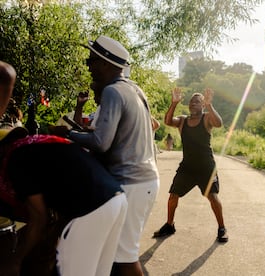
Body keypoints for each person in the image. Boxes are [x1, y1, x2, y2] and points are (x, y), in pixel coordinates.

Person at [52, 35, 160, 276]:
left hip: (132, 183)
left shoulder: (113, 91)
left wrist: (68, 133)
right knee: (112, 257)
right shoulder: (133, 89)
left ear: (105, 63)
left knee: (125, 259)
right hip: (143, 181)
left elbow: (101, 143)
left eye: (92, 61)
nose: (88, 66)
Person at [0, 127, 128, 276]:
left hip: (90, 208)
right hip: (116, 199)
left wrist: (16, 260)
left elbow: (39, 218)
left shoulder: (16, 159)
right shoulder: (39, 146)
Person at [153, 87, 228, 243]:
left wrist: (209, 105)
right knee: (173, 196)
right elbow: (167, 121)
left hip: (206, 167)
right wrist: (173, 103)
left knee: (213, 197)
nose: (193, 104)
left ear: (202, 105)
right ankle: (170, 224)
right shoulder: (182, 120)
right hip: (187, 167)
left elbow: (219, 124)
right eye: (191, 102)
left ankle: (222, 228)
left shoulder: (207, 118)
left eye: (197, 102)